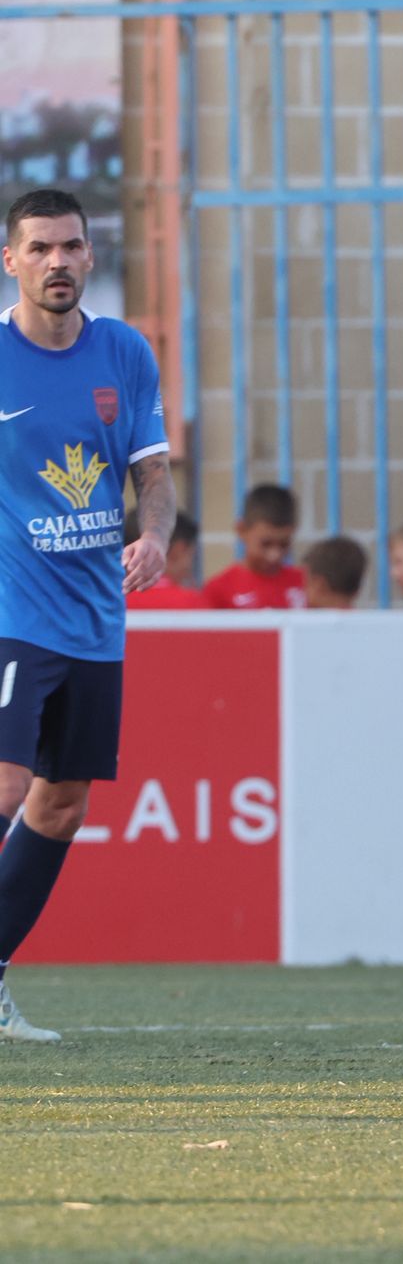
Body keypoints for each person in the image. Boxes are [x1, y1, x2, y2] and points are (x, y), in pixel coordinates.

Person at [0, 189, 175, 1040]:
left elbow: (154, 475)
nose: (57, 262)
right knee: (6, 784)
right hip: (12, 610)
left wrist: (156, 537)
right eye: (39, 249)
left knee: (61, 804)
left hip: (96, 620)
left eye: (70, 247)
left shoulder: (124, 351)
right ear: (11, 262)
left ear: (90, 256)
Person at [202, 483, 306, 609]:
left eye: (284, 544)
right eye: (266, 544)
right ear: (241, 530)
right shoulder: (218, 591)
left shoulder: (308, 585)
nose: (275, 555)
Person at [125, 511, 203, 610]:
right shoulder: (192, 603)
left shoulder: (112, 599)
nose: (190, 568)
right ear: (179, 549)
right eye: (191, 555)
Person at [302, 535, 367, 610]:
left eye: (307, 582)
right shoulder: (368, 617)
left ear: (319, 586)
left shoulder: (298, 616)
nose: (303, 590)